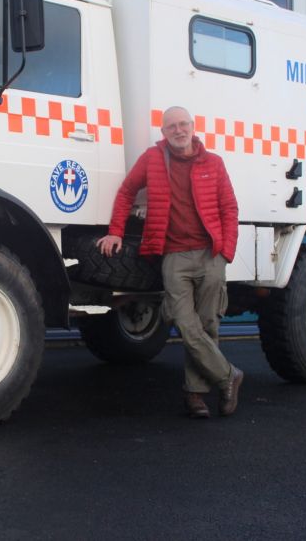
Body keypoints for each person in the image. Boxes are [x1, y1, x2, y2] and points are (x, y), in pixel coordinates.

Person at [97, 106, 243, 419]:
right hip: (174, 256)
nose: (178, 130)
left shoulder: (213, 163)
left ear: (193, 126)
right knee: (187, 326)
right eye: (171, 127)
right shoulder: (152, 159)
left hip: (210, 254)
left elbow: (230, 209)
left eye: (183, 124)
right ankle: (228, 375)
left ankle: (195, 395)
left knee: (207, 324)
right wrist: (115, 233)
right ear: (163, 133)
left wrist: (225, 252)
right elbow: (126, 192)